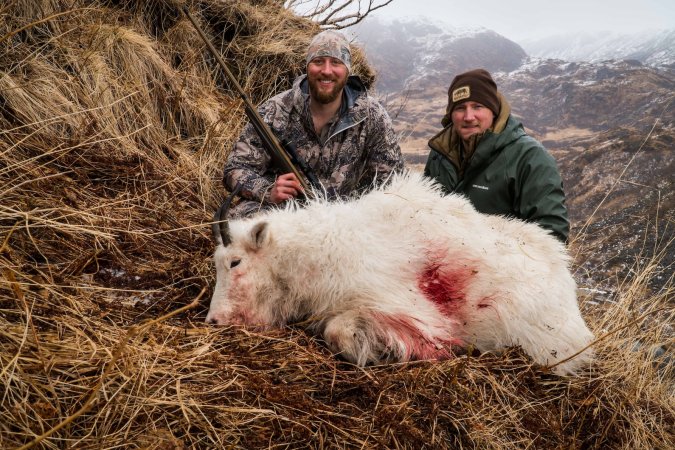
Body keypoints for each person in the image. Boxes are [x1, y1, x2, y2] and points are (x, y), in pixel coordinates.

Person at [223, 30, 403, 218]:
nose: (326, 70)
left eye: (336, 62)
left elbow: (393, 182)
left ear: (347, 70)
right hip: (286, 213)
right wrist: (267, 191)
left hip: (346, 219)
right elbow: (235, 169)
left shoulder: (372, 115)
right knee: (240, 218)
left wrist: (359, 212)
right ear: (308, 67)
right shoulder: (274, 110)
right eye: (318, 61)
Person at [424, 69, 570, 243]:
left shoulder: (530, 158)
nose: (469, 116)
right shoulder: (439, 154)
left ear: (493, 110)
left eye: (478, 106)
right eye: (460, 108)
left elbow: (552, 235)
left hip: (502, 266)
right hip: (445, 262)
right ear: (451, 115)